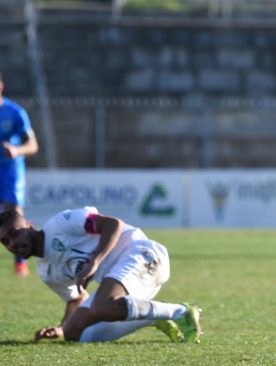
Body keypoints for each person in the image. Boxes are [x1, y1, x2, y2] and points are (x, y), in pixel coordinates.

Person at [0, 207, 202, 344]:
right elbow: (76, 298)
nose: (12, 243)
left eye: (14, 233)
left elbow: (113, 224)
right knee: (73, 333)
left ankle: (181, 311)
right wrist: (61, 328)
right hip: (126, 286)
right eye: (5, 241)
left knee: (103, 304)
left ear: (28, 225)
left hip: (144, 254)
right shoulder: (47, 272)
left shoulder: (60, 224)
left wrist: (94, 262)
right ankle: (153, 318)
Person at [0, 72, 39, 276]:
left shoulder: (15, 112)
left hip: (10, 169)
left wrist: (16, 150)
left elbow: (33, 145)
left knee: (13, 212)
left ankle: (21, 261)